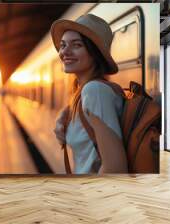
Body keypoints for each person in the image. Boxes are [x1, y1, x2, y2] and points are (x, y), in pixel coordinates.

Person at [50, 14, 128, 174]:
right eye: (63, 45)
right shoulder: (88, 92)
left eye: (77, 45)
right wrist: (64, 114)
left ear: (95, 53)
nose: (65, 52)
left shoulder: (94, 91)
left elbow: (115, 168)